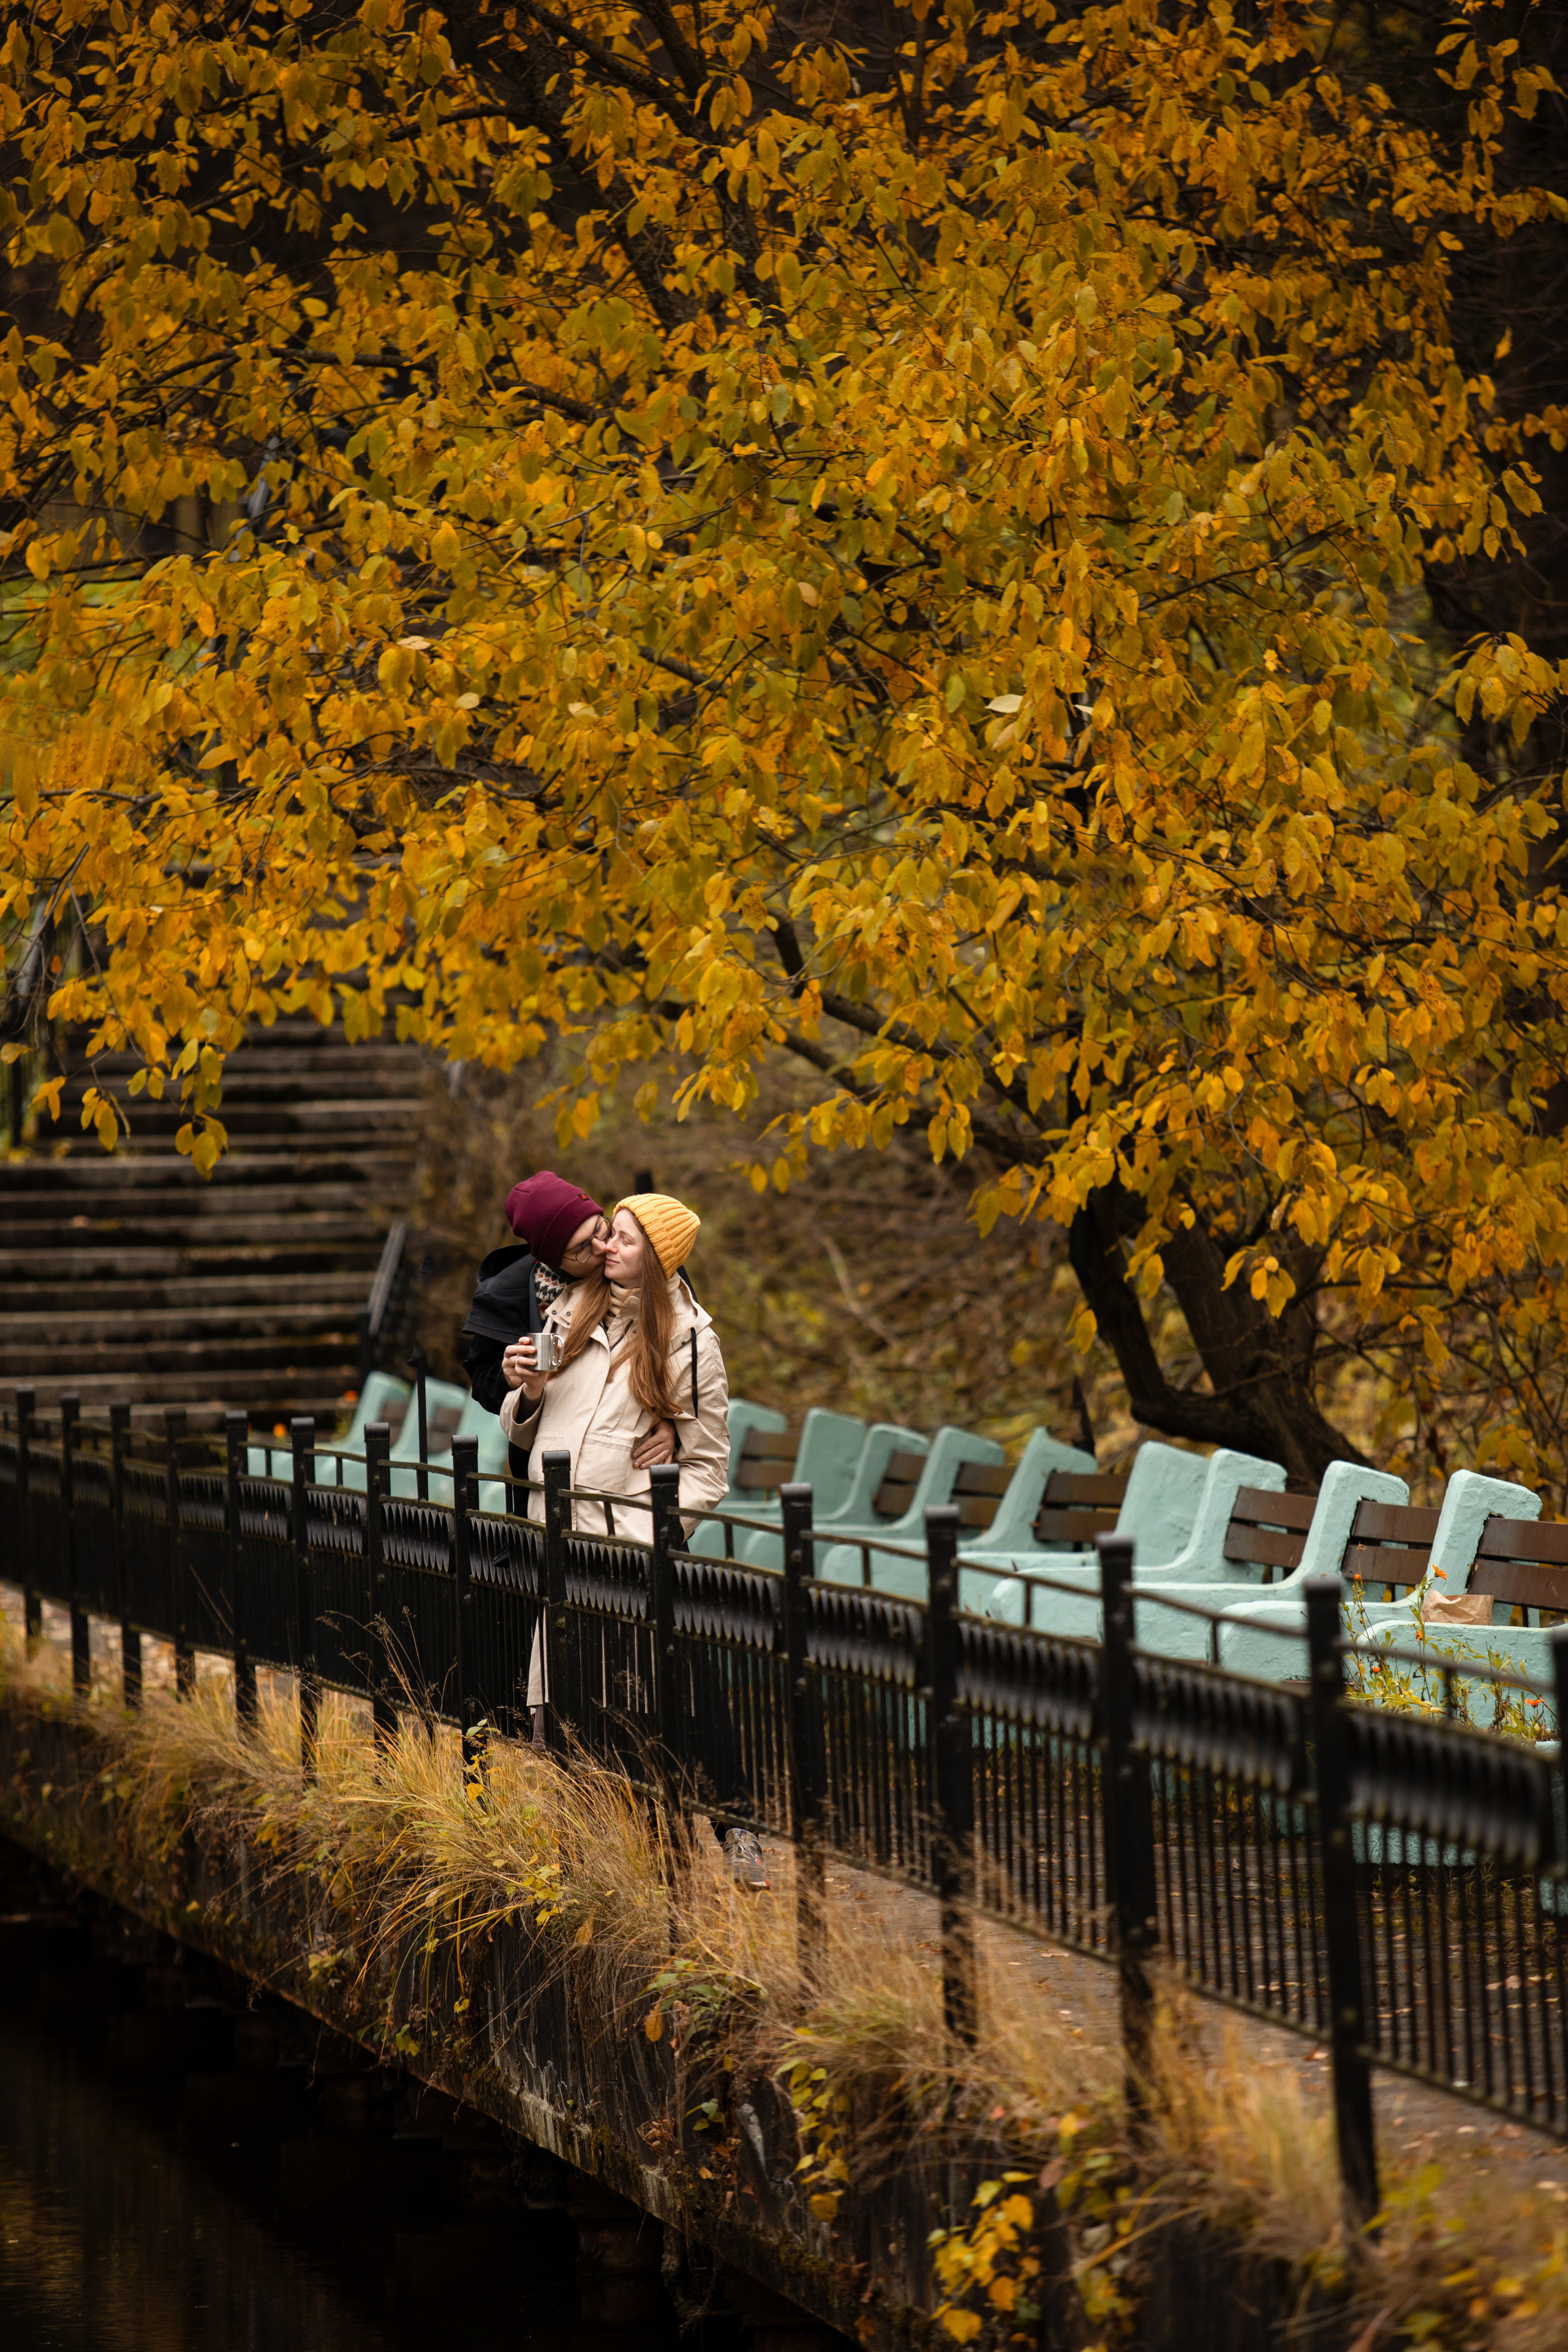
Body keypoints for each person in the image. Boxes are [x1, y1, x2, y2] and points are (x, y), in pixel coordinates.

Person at [501, 1193, 766, 1886]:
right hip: (561, 1541)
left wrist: (648, 1534)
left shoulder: (689, 1340)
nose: (605, 1248)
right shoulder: (572, 1310)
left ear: (657, 1258)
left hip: (630, 1550)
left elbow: (708, 1467)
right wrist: (526, 1391)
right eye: (607, 1234)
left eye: (622, 1239)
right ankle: (610, 1860)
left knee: (675, 1694)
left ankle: (733, 1829)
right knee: (581, 1706)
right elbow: (525, 1429)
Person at [461, 1170, 674, 1484]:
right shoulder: (508, 1297)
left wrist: (673, 1424)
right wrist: (508, 1377)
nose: (603, 1247)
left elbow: (686, 1355)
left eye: (601, 1228)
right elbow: (484, 1385)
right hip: (549, 1472)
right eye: (582, 1248)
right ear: (553, 1259)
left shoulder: (645, 1258)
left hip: (634, 1477)